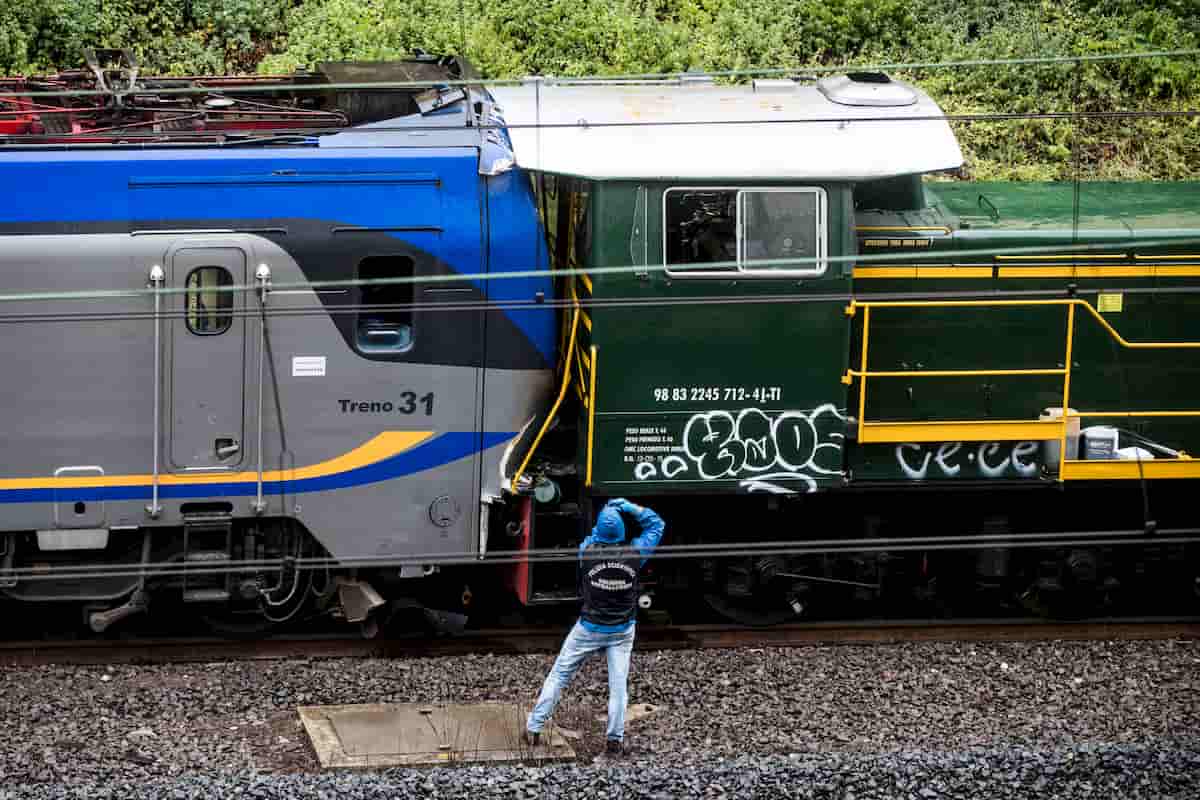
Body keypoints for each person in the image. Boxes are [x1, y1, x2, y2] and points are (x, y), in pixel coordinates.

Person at [525, 498, 665, 755]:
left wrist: (603, 517)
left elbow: (591, 538)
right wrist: (627, 507)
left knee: (559, 675)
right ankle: (614, 739)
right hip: (622, 630)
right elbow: (656, 524)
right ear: (623, 532)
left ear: (600, 533)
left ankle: (534, 727)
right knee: (618, 685)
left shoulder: (586, 553)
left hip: (588, 629)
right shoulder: (636, 554)